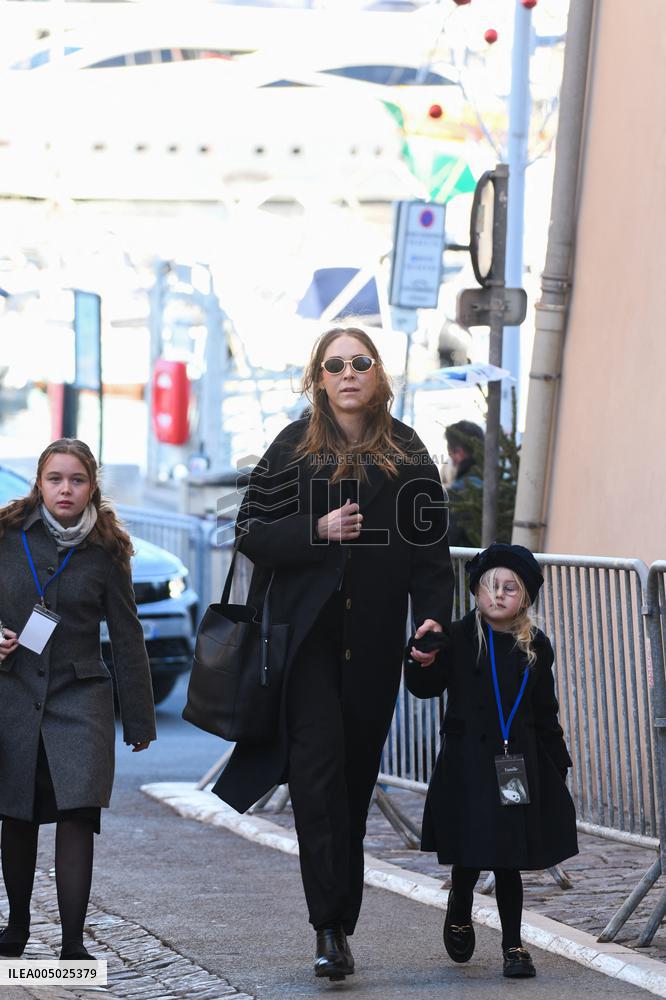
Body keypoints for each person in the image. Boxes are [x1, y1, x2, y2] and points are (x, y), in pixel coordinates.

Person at [212, 325, 454, 981]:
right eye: (335, 364)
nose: (348, 374)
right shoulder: (292, 448)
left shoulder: (407, 453)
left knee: (352, 784)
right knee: (316, 782)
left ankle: (340, 919)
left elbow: (432, 557)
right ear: (318, 378)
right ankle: (327, 927)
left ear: (378, 375)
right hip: (305, 645)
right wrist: (315, 530)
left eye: (360, 362)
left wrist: (431, 621)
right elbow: (249, 531)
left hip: (372, 646)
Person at [0, 439, 156, 961]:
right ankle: (17, 926)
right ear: (39, 483)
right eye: (55, 479)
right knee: (17, 814)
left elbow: (128, 635)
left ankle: (72, 946)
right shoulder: (5, 534)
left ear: (92, 486)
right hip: (13, 693)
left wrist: (139, 719)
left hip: (81, 697)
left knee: (78, 815)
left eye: (77, 480)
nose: (65, 489)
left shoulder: (108, 547)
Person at [405, 543, 578, 979]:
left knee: (507, 857)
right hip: (467, 764)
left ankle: (513, 945)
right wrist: (420, 658)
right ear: (476, 592)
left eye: (509, 588)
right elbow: (425, 687)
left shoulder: (535, 645)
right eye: (490, 586)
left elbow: (545, 712)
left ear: (525, 598)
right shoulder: (458, 637)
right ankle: (460, 905)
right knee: (469, 851)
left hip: (515, 765)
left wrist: (557, 763)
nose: (498, 595)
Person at [443, 420, 484, 547]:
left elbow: (447, 542)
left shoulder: (455, 494)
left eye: (450, 454)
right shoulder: (502, 485)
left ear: (459, 453)